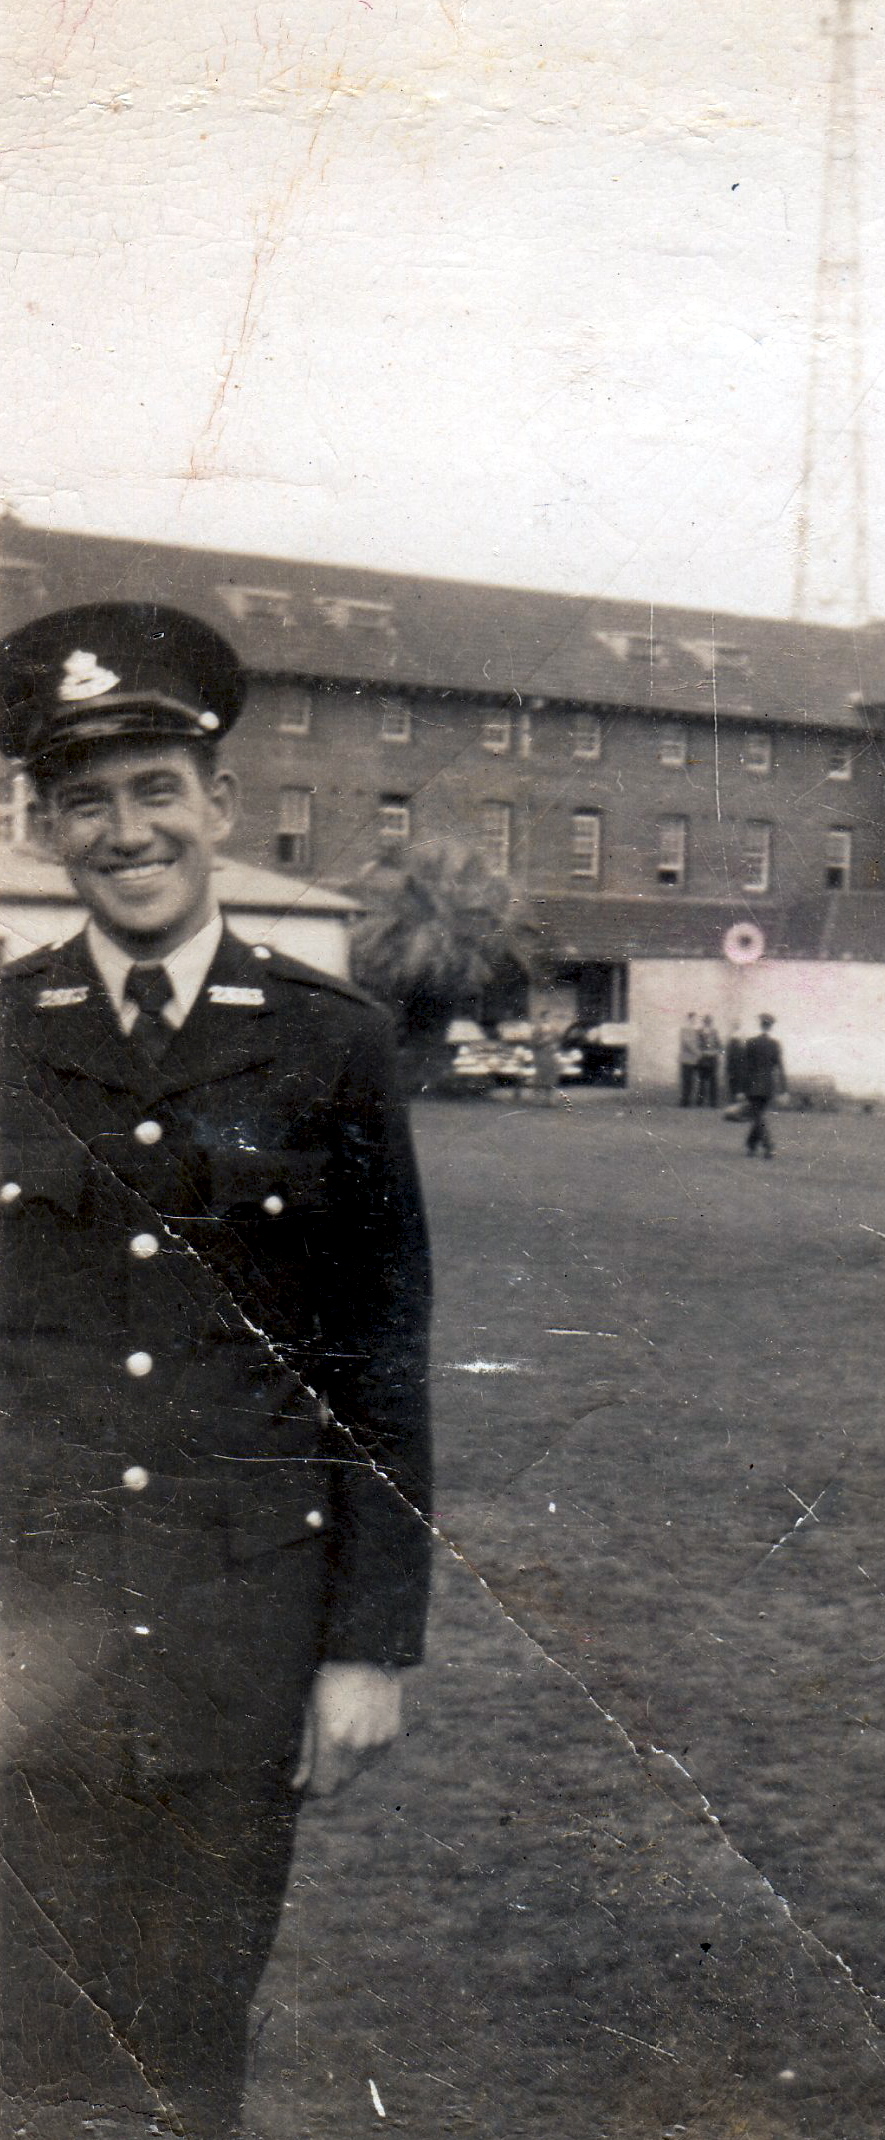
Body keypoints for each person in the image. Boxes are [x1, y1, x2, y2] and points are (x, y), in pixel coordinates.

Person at [0, 604, 432, 2139]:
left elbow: (377, 1366)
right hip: (27, 1646)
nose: (128, 833)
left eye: (156, 791)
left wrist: (369, 1648)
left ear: (221, 803)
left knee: (190, 2058)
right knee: (34, 2060)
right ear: (42, 828)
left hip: (235, 1647)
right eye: (86, 802)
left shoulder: (331, 1045)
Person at [742, 1011, 786, 1159]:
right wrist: (784, 1089)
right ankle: (752, 1146)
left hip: (753, 1085)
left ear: (760, 1025)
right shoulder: (775, 1044)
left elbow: (745, 1067)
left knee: (757, 1117)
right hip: (768, 1086)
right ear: (771, 1027)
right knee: (758, 1116)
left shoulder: (750, 1042)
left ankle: (767, 1146)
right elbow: (780, 1067)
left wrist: (741, 1088)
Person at [696, 1014, 722, 1106]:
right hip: (703, 1059)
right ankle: (700, 1101)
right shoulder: (699, 1032)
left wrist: (717, 1052)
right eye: (706, 1021)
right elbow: (697, 1045)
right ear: (704, 1022)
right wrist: (702, 1052)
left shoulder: (715, 1032)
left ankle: (713, 1102)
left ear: (711, 1023)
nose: (708, 1023)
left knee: (713, 1081)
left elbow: (720, 1045)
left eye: (709, 1022)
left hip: (713, 1059)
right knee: (702, 1081)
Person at [677, 1010, 701, 1106]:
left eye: (695, 1019)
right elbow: (687, 1043)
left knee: (691, 1081)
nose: (694, 1020)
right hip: (686, 1059)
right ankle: (684, 1101)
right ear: (689, 1019)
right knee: (686, 1080)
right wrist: (697, 1052)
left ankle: (688, 1101)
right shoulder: (685, 1029)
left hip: (692, 1060)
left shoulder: (694, 1030)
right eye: (693, 1019)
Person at [724, 1023, 748, 1106]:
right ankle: (734, 1100)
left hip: (739, 1064)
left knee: (738, 1082)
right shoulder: (731, 1036)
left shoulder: (741, 1035)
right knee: (733, 1082)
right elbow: (728, 1053)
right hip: (733, 1064)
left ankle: (737, 1100)